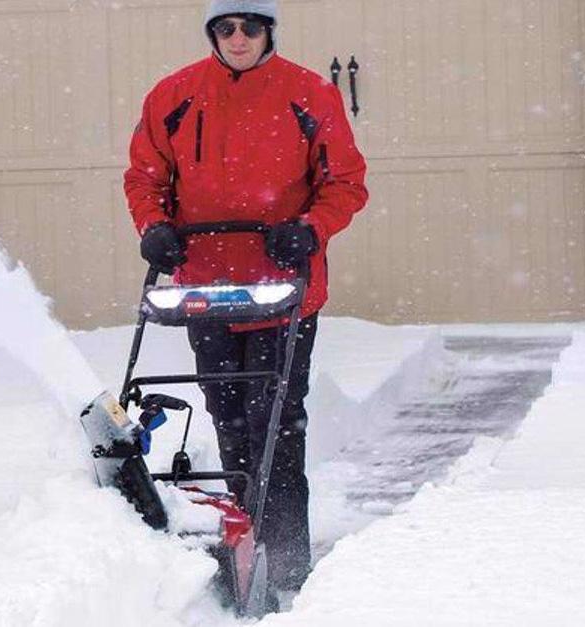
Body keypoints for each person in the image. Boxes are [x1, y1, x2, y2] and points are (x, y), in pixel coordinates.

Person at [122, 0, 368, 601]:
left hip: (283, 288)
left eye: (249, 28)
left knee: (278, 422)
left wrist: (309, 228)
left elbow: (346, 181)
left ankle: (288, 566)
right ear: (212, 32)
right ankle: (240, 544)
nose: (238, 38)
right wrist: (152, 225)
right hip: (204, 288)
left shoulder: (309, 93)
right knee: (228, 416)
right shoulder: (173, 95)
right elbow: (144, 177)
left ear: (268, 32)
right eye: (226, 28)